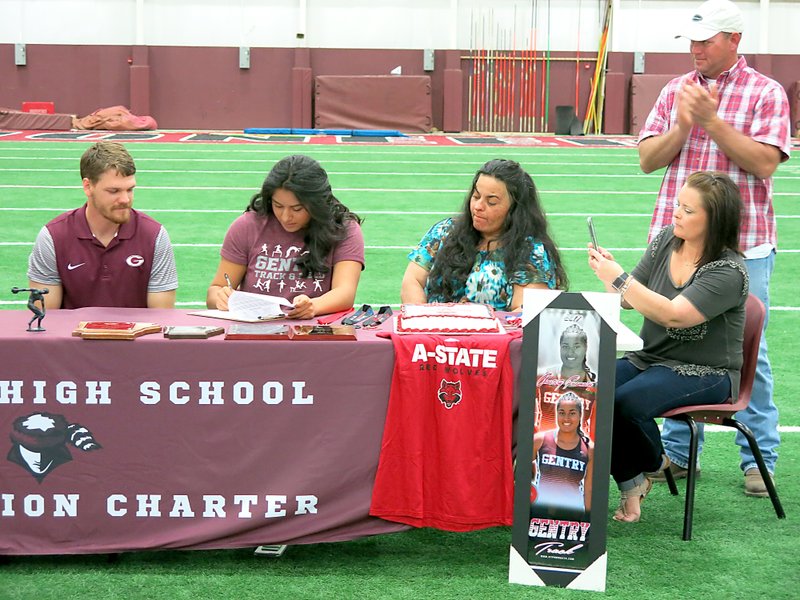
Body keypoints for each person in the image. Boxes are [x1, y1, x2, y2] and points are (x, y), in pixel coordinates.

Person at [638, 0, 791, 497]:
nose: (696, 49)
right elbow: (646, 159)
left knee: (749, 356)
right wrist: (682, 126)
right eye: (692, 41)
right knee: (669, 343)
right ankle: (680, 454)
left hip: (743, 247)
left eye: (706, 41)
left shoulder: (765, 93)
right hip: (677, 242)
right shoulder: (674, 91)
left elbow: (765, 163)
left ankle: (758, 459)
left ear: (734, 41)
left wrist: (712, 123)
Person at [588, 171, 748, 522]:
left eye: (689, 210)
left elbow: (675, 315)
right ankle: (635, 479)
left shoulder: (728, 271)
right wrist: (610, 274)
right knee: (587, 389)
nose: (676, 213)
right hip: (650, 357)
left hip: (707, 371)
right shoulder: (665, 241)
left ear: (715, 220)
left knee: (622, 402)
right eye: (678, 204)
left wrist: (619, 278)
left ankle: (653, 463)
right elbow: (629, 300)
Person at [207, 154, 364, 320]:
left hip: (314, 330)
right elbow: (215, 290)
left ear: (318, 204)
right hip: (255, 330)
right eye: (278, 206)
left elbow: (345, 293)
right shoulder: (247, 225)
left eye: (297, 209)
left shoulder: (344, 229)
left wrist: (314, 306)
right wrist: (221, 298)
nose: (285, 216)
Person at [26, 141, 178, 309]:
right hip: (73, 335)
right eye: (114, 191)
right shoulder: (53, 237)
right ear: (88, 186)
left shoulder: (154, 236)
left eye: (130, 189)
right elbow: (45, 319)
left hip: (134, 335)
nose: (125, 200)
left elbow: (161, 317)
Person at [400, 158, 567, 311]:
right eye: (476, 196)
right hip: (433, 336)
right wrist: (421, 319)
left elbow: (523, 310)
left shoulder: (530, 251)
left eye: (491, 202)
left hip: (491, 341)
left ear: (515, 210)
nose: (478, 206)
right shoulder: (443, 231)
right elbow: (413, 280)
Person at [532, 391, 594, 514]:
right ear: (556, 414)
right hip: (541, 510)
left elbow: (589, 488)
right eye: (561, 413)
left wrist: (588, 519)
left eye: (572, 413)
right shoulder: (540, 440)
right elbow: (522, 474)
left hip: (573, 512)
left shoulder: (589, 448)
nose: (566, 418)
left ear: (580, 415)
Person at [536, 324, 597, 437]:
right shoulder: (542, 377)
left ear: (585, 348)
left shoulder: (595, 385)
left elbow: (596, 431)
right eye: (565, 346)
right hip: (543, 446)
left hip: (579, 449)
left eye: (576, 346)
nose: (570, 352)